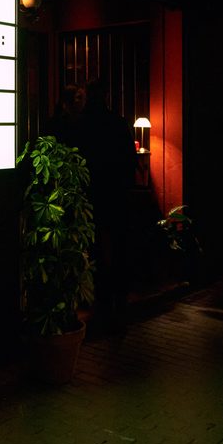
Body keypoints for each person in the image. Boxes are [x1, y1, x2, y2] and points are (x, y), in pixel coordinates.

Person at [78, 79, 137, 329]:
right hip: (116, 193)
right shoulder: (118, 123)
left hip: (92, 194)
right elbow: (130, 160)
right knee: (119, 242)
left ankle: (99, 295)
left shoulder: (82, 125)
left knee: (94, 246)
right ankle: (120, 294)